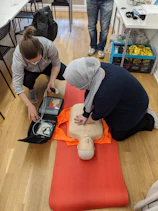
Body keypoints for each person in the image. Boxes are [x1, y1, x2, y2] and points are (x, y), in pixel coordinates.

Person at [63, 57, 158, 141]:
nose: (72, 85)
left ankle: (149, 119)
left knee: (118, 135)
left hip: (136, 105)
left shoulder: (104, 93)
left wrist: (87, 119)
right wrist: (85, 113)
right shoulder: (96, 69)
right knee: (106, 117)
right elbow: (90, 93)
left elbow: (96, 116)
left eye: (73, 83)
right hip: (126, 97)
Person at [12, 26, 66, 122]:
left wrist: (52, 81)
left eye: (36, 60)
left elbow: (56, 63)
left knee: (64, 72)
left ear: (41, 50)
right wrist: (29, 105)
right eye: (31, 62)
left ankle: (50, 78)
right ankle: (31, 89)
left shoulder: (48, 45)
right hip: (30, 71)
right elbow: (17, 84)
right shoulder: (18, 57)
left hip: (47, 66)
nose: (34, 63)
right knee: (26, 80)